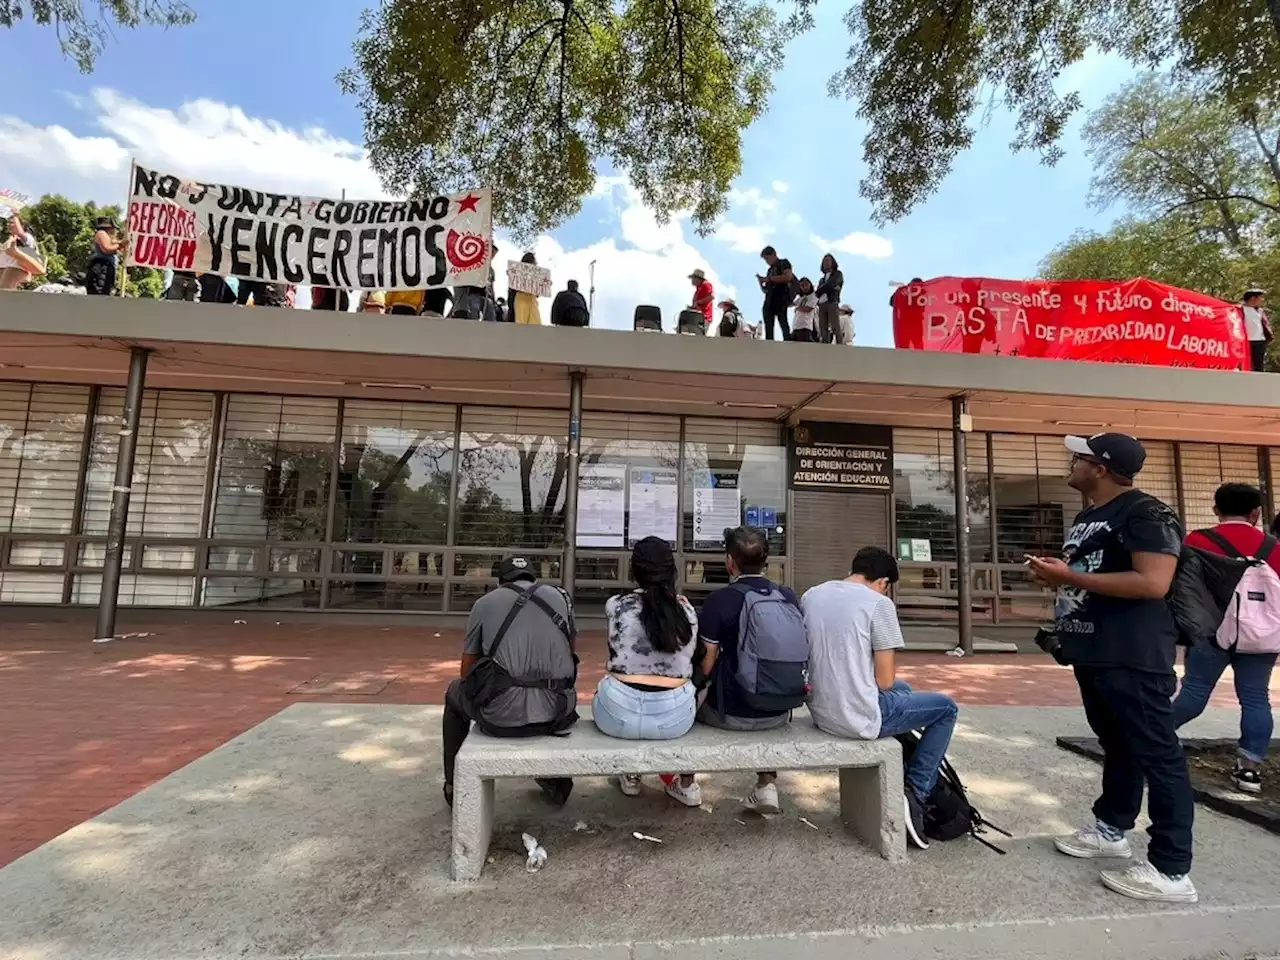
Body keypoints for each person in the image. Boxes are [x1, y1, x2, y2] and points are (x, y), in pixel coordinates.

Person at [1027, 433, 1195, 904]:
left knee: (1158, 754)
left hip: (1134, 654)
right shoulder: (1089, 515)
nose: (1070, 462)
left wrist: (1069, 576)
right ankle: (1111, 828)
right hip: (1094, 650)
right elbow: (1092, 573)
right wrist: (1055, 572)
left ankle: (1171, 869)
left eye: (1077, 457)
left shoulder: (1146, 512)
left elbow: (1153, 581)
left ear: (1099, 467)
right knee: (1117, 744)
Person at [803, 546, 958, 849]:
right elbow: (883, 680)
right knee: (946, 708)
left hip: (822, 709)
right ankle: (915, 793)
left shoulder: (812, 594)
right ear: (883, 582)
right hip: (857, 716)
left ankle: (907, 772)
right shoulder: (879, 604)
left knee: (905, 690)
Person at [442, 555, 579, 808]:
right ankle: (557, 782)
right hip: (557, 712)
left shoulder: (484, 603)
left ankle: (454, 784)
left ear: (500, 581)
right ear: (534, 578)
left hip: (501, 719)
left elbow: (466, 672)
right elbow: (570, 651)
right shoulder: (562, 598)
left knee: (454, 692)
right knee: (548, 687)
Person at [1172, 482, 1279, 793]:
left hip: (1210, 630)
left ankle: (1156, 736)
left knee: (1195, 690)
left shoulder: (1196, 540)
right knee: (1256, 698)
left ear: (1216, 508)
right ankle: (1249, 770)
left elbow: (1183, 585)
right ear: (1256, 513)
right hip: (1260, 636)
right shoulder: (1273, 547)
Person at [695, 526, 807, 814]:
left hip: (730, 714)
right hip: (778, 712)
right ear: (766, 560)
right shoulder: (787, 597)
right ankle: (767, 785)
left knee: (690, 700)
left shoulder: (719, 601)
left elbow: (706, 664)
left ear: (730, 561)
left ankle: (685, 782)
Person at [593, 538, 701, 801]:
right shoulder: (686, 610)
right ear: (671, 571)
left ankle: (630, 775)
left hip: (617, 715)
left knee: (608, 684)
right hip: (673, 719)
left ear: (634, 570)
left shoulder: (615, 605)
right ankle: (680, 784)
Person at [756, 246, 793, 341]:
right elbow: (766, 290)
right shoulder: (769, 270)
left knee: (783, 323)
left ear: (773, 254)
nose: (767, 261)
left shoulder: (784, 263)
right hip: (769, 299)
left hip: (781, 298)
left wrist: (769, 279)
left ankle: (788, 343)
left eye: (767, 258)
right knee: (768, 326)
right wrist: (761, 283)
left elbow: (788, 277)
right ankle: (769, 344)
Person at [0, 213, 43, 290]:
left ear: (21, 226)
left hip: (16, 268)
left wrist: (15, 215)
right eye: (8, 222)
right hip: (5, 268)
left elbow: (20, 233)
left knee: (4, 292)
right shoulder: (10, 239)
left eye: (12, 222)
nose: (9, 225)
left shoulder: (27, 237)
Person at [84, 216, 122, 296]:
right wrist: (121, 245)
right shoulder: (101, 233)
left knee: (104, 293)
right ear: (109, 227)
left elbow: (116, 243)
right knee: (99, 294)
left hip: (106, 269)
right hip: (101, 268)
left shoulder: (109, 238)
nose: (115, 230)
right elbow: (106, 248)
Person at [815, 254, 844, 344]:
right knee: (823, 327)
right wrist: (822, 290)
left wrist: (821, 290)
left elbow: (831, 285)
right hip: (822, 303)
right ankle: (825, 345)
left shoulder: (837, 274)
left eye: (828, 261)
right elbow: (819, 291)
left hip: (832, 302)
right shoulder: (822, 279)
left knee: (835, 326)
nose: (826, 263)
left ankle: (840, 345)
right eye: (824, 261)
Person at [1241, 288, 1270, 372]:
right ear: (1253, 298)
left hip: (1260, 341)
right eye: (1260, 297)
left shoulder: (1260, 311)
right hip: (1245, 341)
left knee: (1259, 365)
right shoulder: (1240, 309)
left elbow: (1264, 325)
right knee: (1244, 364)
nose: (1262, 300)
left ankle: (1259, 382)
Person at [513, 252, 542, 325]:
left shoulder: (537, 275)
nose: (536, 263)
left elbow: (538, 294)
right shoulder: (518, 273)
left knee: (536, 324)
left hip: (532, 300)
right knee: (521, 324)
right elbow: (515, 288)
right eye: (534, 261)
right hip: (521, 299)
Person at [790, 277, 819, 342]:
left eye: (806, 285)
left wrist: (798, 308)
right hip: (796, 326)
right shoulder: (801, 298)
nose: (804, 287)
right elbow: (791, 304)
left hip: (806, 327)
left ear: (810, 285)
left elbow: (808, 309)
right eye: (802, 286)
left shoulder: (813, 296)